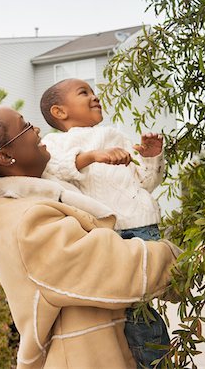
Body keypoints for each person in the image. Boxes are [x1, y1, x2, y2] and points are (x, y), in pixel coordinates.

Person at [0, 102, 180, 369]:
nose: (36, 129)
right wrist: (186, 260)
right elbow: (115, 266)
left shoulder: (30, 198)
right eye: (24, 126)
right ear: (4, 157)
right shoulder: (25, 221)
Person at [40, 78, 169, 367]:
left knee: (140, 306)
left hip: (142, 225)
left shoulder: (116, 135)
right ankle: (153, 359)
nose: (95, 96)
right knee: (132, 310)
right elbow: (53, 168)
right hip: (110, 232)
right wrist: (92, 156)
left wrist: (150, 158)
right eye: (84, 92)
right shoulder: (55, 142)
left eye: (94, 91)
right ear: (59, 112)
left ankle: (155, 359)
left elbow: (145, 183)